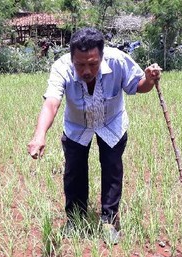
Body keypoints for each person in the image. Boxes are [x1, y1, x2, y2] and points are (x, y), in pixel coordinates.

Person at [27, 27, 162, 244]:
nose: (86, 70)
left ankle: (109, 219)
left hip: (112, 123)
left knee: (112, 169)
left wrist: (149, 79)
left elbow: (138, 86)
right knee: (74, 172)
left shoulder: (118, 61)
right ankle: (75, 219)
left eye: (92, 63)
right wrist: (39, 135)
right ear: (72, 58)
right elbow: (52, 102)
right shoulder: (61, 67)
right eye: (80, 64)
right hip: (77, 126)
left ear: (102, 55)